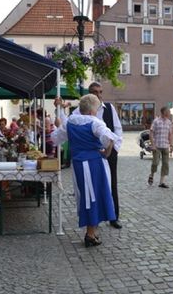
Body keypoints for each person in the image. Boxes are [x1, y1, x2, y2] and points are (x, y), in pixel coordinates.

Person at [51, 94, 118, 247]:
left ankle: (92, 232)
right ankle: (89, 234)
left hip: (78, 165)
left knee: (87, 196)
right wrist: (106, 153)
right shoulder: (95, 123)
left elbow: (56, 138)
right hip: (94, 165)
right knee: (93, 197)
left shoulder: (71, 122)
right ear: (93, 109)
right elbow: (110, 139)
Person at [148, 107, 172, 188]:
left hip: (165, 145)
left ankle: (162, 182)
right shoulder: (156, 121)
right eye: (168, 111)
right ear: (164, 112)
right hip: (157, 145)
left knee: (165, 164)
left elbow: (170, 134)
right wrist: (153, 144)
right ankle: (151, 175)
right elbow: (151, 133)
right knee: (155, 163)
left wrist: (171, 145)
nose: (169, 113)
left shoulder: (169, 122)